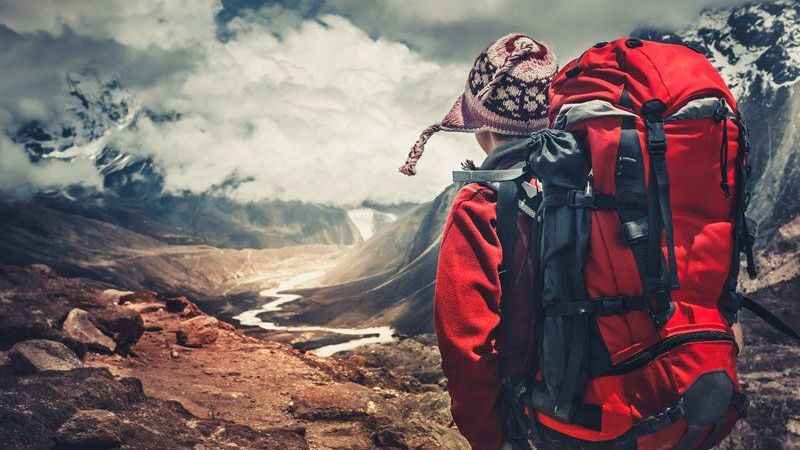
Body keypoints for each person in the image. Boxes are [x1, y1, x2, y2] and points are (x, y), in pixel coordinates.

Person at [399, 33, 558, 450]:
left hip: (537, 424)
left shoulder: (482, 204)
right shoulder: (595, 183)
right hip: (627, 408)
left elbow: (466, 348)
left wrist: (492, 439)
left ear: (482, 124)